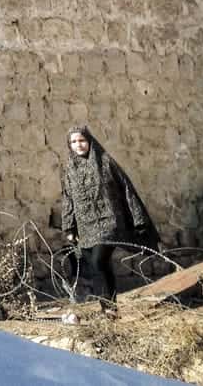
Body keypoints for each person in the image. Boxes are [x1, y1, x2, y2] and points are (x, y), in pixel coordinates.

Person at [59, 124, 159, 302]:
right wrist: (69, 227)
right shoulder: (69, 169)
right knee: (98, 266)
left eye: (82, 140)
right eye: (73, 142)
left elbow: (126, 186)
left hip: (109, 221)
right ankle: (109, 308)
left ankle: (108, 305)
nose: (78, 145)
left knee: (98, 261)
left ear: (89, 141)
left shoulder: (105, 161)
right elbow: (68, 198)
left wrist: (138, 219)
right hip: (85, 226)